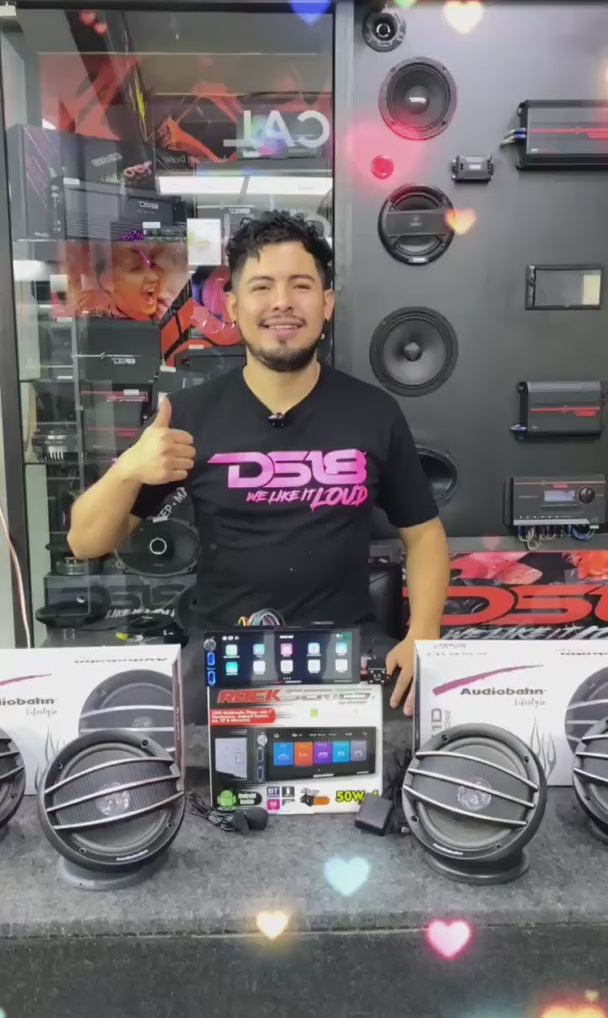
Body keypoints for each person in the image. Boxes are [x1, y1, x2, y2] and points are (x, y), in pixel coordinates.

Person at [68, 211, 450, 718]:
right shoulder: (186, 416)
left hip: (345, 654)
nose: (282, 302)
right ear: (233, 305)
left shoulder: (374, 413)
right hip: (223, 658)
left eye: (301, 285)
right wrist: (126, 470)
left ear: (327, 303)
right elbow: (85, 542)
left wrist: (422, 634)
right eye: (262, 286)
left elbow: (423, 536)